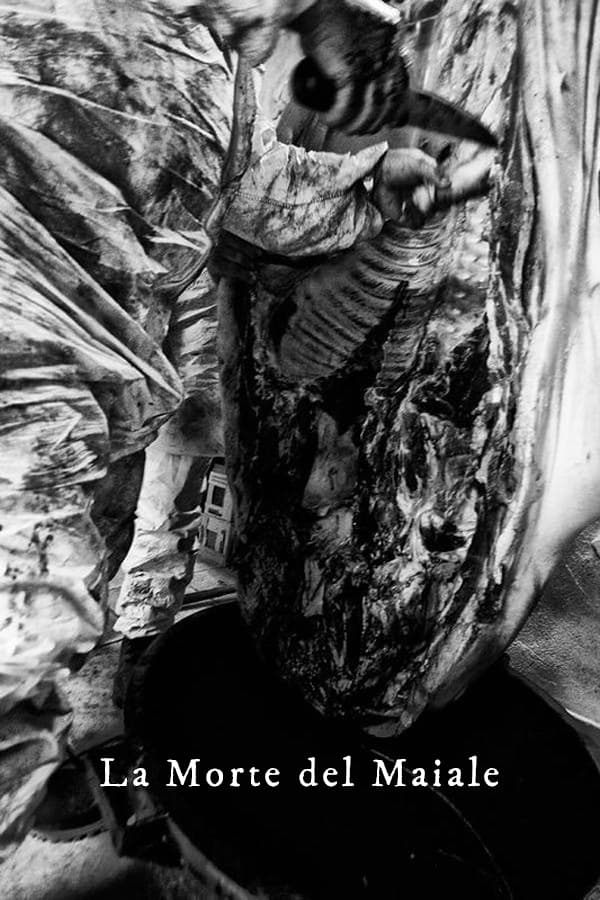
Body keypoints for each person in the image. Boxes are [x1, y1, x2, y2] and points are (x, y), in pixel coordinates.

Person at [0, 0, 446, 855]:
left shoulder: (208, 62)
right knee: (21, 631)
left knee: (74, 587)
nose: (278, 31)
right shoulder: (63, 25)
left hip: (102, 397)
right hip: (26, 394)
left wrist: (369, 188)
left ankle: (45, 747)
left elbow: (247, 190)